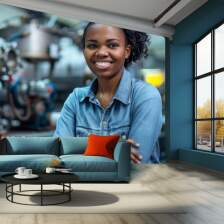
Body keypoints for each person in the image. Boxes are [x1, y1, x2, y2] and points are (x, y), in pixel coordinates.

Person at [54, 22, 163, 163]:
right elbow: (58, 155)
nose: (101, 53)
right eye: (92, 46)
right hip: (82, 185)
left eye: (112, 45)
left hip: (136, 185)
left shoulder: (146, 96)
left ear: (127, 51)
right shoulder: (76, 99)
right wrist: (116, 150)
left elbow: (133, 163)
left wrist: (79, 152)